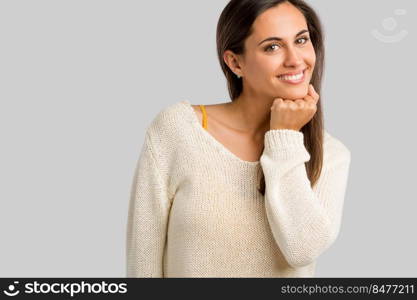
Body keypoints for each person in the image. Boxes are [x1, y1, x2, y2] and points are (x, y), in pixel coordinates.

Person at [126, 0, 351, 278]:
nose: (295, 59)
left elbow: (301, 249)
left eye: (301, 40)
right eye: (273, 46)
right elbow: (143, 259)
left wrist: (285, 138)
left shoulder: (331, 155)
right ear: (235, 62)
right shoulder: (178, 130)